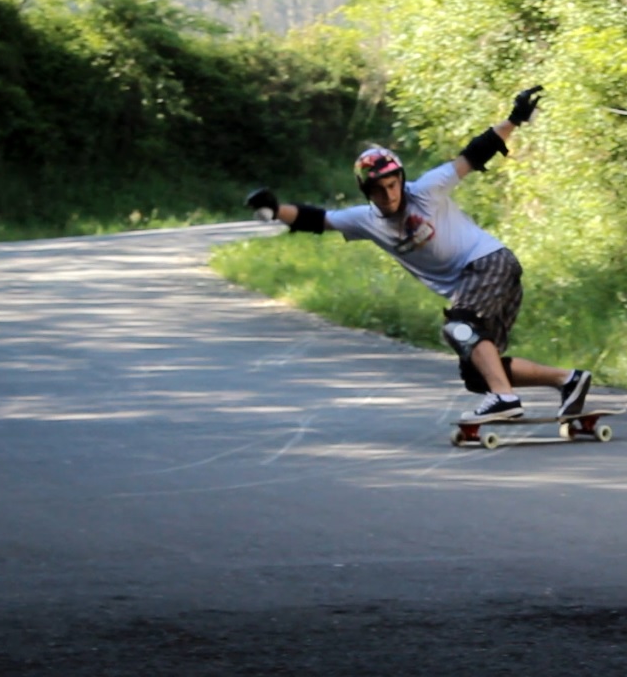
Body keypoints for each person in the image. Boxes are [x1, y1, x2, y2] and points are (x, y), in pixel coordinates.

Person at [245, 85, 592, 423]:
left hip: (489, 262)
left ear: (401, 178)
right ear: (367, 192)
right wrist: (275, 210)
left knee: (461, 326)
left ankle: (504, 399)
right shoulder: (366, 220)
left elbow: (474, 154)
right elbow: (316, 219)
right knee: (477, 372)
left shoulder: (426, 190)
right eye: (379, 191)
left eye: (393, 185)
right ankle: (568, 380)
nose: (389, 195)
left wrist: (515, 119)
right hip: (478, 280)